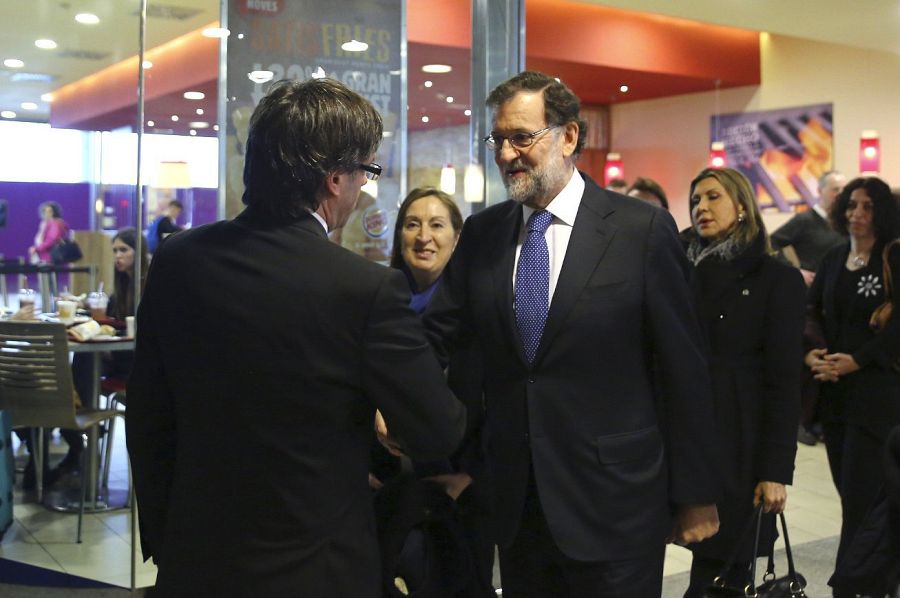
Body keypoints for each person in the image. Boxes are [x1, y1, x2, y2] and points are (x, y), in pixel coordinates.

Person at [126, 78, 465, 597]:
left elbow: (148, 413)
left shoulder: (177, 259)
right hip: (316, 566)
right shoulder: (365, 289)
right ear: (335, 179)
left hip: (195, 556)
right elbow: (437, 430)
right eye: (365, 173)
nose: (362, 189)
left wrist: (168, 539)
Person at [422, 71, 720, 597]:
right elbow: (437, 334)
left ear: (569, 137)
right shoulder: (485, 235)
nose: (507, 153)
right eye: (498, 140)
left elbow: (685, 371)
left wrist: (696, 493)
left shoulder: (640, 232)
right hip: (519, 505)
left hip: (617, 506)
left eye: (521, 137)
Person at [680, 168, 806, 595]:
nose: (701, 208)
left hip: (739, 441)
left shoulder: (775, 278)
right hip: (683, 434)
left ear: (741, 206)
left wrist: (775, 471)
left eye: (713, 197)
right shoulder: (681, 269)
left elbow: (784, 382)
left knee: (723, 570)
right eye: (695, 200)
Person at [374, 187, 494, 596]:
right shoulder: (378, 302)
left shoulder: (481, 312)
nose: (423, 235)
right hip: (389, 489)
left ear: (457, 238)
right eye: (412, 224)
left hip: (459, 490)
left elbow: (500, 400)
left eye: (437, 224)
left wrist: (470, 475)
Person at [805, 176, 900, 598]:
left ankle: (853, 583)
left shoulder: (893, 257)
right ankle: (872, 577)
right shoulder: (833, 256)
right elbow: (811, 312)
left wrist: (859, 360)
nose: (857, 215)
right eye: (851, 206)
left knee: (863, 496)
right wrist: (813, 353)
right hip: (834, 395)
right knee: (850, 495)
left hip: (877, 395)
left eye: (867, 207)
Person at [771, 170, 847, 282]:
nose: (840, 194)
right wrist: (793, 272)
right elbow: (770, 243)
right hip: (813, 289)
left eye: (844, 190)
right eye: (835, 189)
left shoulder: (847, 223)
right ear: (820, 191)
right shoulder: (804, 220)